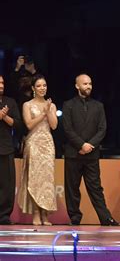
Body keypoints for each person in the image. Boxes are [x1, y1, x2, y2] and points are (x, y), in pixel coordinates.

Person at [62, 73, 119, 226]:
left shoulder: (98, 106)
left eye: (90, 84)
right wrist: (81, 145)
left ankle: (105, 218)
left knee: (95, 188)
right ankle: (74, 217)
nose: (88, 86)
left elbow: (102, 129)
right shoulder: (68, 105)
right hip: (74, 153)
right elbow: (67, 129)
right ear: (77, 86)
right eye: (85, 84)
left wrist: (89, 146)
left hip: (91, 153)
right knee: (72, 187)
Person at [17, 75, 58, 225]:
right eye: (39, 86)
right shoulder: (27, 105)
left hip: (47, 144)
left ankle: (45, 214)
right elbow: (29, 125)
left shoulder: (51, 105)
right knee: (34, 178)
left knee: (47, 180)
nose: (42, 88)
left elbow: (54, 126)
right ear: (33, 88)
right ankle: (35, 213)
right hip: (33, 143)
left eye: (44, 85)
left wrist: (48, 111)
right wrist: (42, 113)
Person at [0, 75, 22, 225]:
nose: (1, 85)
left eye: (2, 82)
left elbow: (19, 124)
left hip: (6, 147)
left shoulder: (10, 102)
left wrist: (5, 117)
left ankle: (4, 215)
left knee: (7, 184)